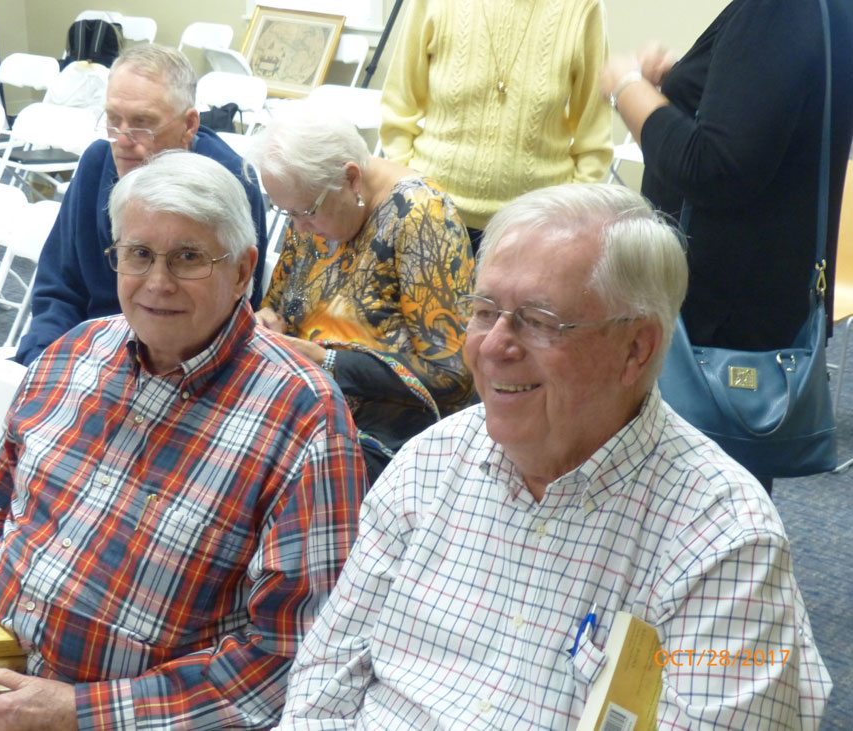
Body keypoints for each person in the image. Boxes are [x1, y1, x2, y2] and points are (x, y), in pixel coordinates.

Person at [272, 183, 832, 729]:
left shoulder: (722, 539)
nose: (493, 348)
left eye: (539, 322)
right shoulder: (428, 464)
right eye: (485, 311)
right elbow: (323, 683)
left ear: (637, 348)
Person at [0, 150, 367, 730]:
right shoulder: (70, 356)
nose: (157, 283)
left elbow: (285, 660)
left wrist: (78, 712)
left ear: (243, 270)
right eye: (138, 254)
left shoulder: (305, 420)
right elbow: (0, 529)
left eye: (188, 257)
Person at [0, 43, 270, 527]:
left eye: (143, 123)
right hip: (79, 354)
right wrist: (43, 366)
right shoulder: (96, 165)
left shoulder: (224, 184)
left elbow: (235, 311)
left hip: (172, 371)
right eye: (113, 120)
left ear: (190, 124)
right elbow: (57, 286)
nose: (123, 138)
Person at [600, 0, 853, 488]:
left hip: (712, 324)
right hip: (754, 304)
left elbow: (712, 167)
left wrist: (627, 87)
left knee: (685, 517)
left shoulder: (777, 11)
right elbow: (762, 124)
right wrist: (690, 81)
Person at [244, 102, 474, 481]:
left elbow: (453, 376)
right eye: (287, 215)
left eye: (305, 213)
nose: (299, 230)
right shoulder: (311, 203)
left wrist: (328, 361)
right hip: (304, 410)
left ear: (351, 179)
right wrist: (269, 320)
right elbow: (280, 303)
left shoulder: (419, 217)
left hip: (382, 441)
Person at [379, 0, 613, 251]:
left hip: (537, 228)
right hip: (430, 215)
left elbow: (594, 138)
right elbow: (398, 109)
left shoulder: (583, 7)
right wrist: (412, 192)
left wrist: (567, 215)